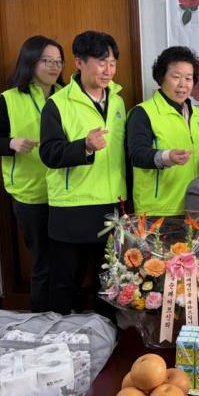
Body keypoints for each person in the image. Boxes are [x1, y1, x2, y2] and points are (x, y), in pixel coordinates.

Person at [40, 31, 126, 315]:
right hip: (71, 206)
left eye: (112, 63)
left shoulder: (118, 100)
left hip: (111, 204)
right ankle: (59, 336)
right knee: (65, 282)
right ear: (79, 62)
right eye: (101, 62)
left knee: (109, 282)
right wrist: (85, 146)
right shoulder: (57, 104)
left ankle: (106, 335)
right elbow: (49, 153)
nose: (108, 70)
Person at [0, 36, 65, 312]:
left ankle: (64, 319)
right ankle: (40, 319)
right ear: (30, 61)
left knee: (66, 263)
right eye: (47, 60)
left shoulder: (68, 95)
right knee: (42, 263)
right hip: (31, 194)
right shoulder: (10, 98)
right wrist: (12, 143)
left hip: (67, 192)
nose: (54, 67)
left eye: (58, 61)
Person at [127, 46, 199, 217]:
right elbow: (137, 155)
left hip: (198, 208)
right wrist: (167, 157)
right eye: (176, 77)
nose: (183, 84)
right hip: (159, 211)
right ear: (161, 77)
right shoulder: (143, 112)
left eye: (188, 78)